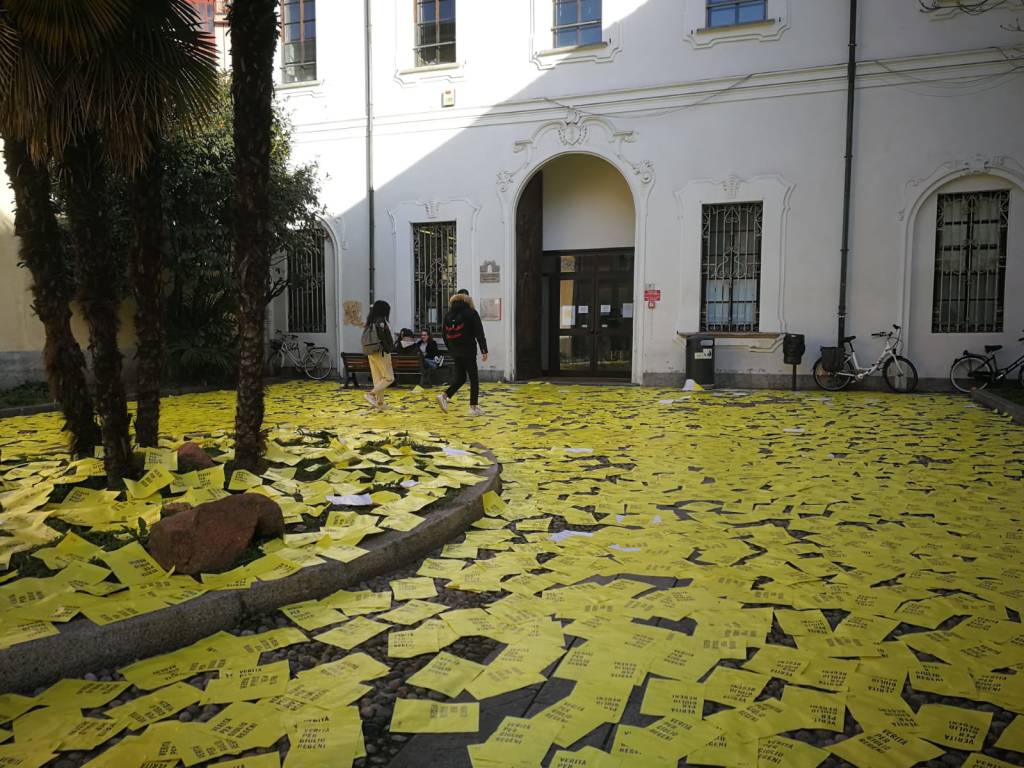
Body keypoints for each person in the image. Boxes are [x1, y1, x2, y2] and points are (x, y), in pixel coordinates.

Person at [438, 289, 488, 415]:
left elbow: (444, 335)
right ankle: (473, 407)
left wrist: (451, 349)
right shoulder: (471, 313)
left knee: (460, 378)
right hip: (468, 351)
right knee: (474, 378)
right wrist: (484, 350)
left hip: (455, 352)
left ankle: (444, 396)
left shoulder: (448, 315)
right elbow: (479, 333)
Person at [360, 300, 395, 410]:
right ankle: (371, 394)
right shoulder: (381, 321)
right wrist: (388, 348)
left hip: (371, 352)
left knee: (378, 379)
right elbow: (383, 338)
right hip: (381, 352)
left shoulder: (370, 321)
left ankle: (380, 404)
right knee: (389, 378)